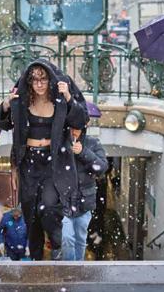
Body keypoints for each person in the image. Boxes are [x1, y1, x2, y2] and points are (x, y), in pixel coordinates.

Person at [0, 59, 87, 260]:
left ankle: (55, 243)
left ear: (50, 80)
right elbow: (3, 123)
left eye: (43, 79)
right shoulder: (22, 98)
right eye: (34, 80)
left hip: (53, 161)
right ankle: (36, 256)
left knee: (49, 206)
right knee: (30, 212)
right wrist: (6, 104)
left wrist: (69, 98)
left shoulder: (61, 96)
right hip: (28, 162)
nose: (39, 84)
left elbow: (81, 119)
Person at [62, 102, 108, 261]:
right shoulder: (60, 143)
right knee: (67, 238)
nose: (74, 130)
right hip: (63, 202)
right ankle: (69, 269)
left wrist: (83, 152)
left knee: (81, 240)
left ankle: (78, 266)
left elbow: (101, 168)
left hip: (83, 202)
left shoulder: (92, 143)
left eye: (78, 126)